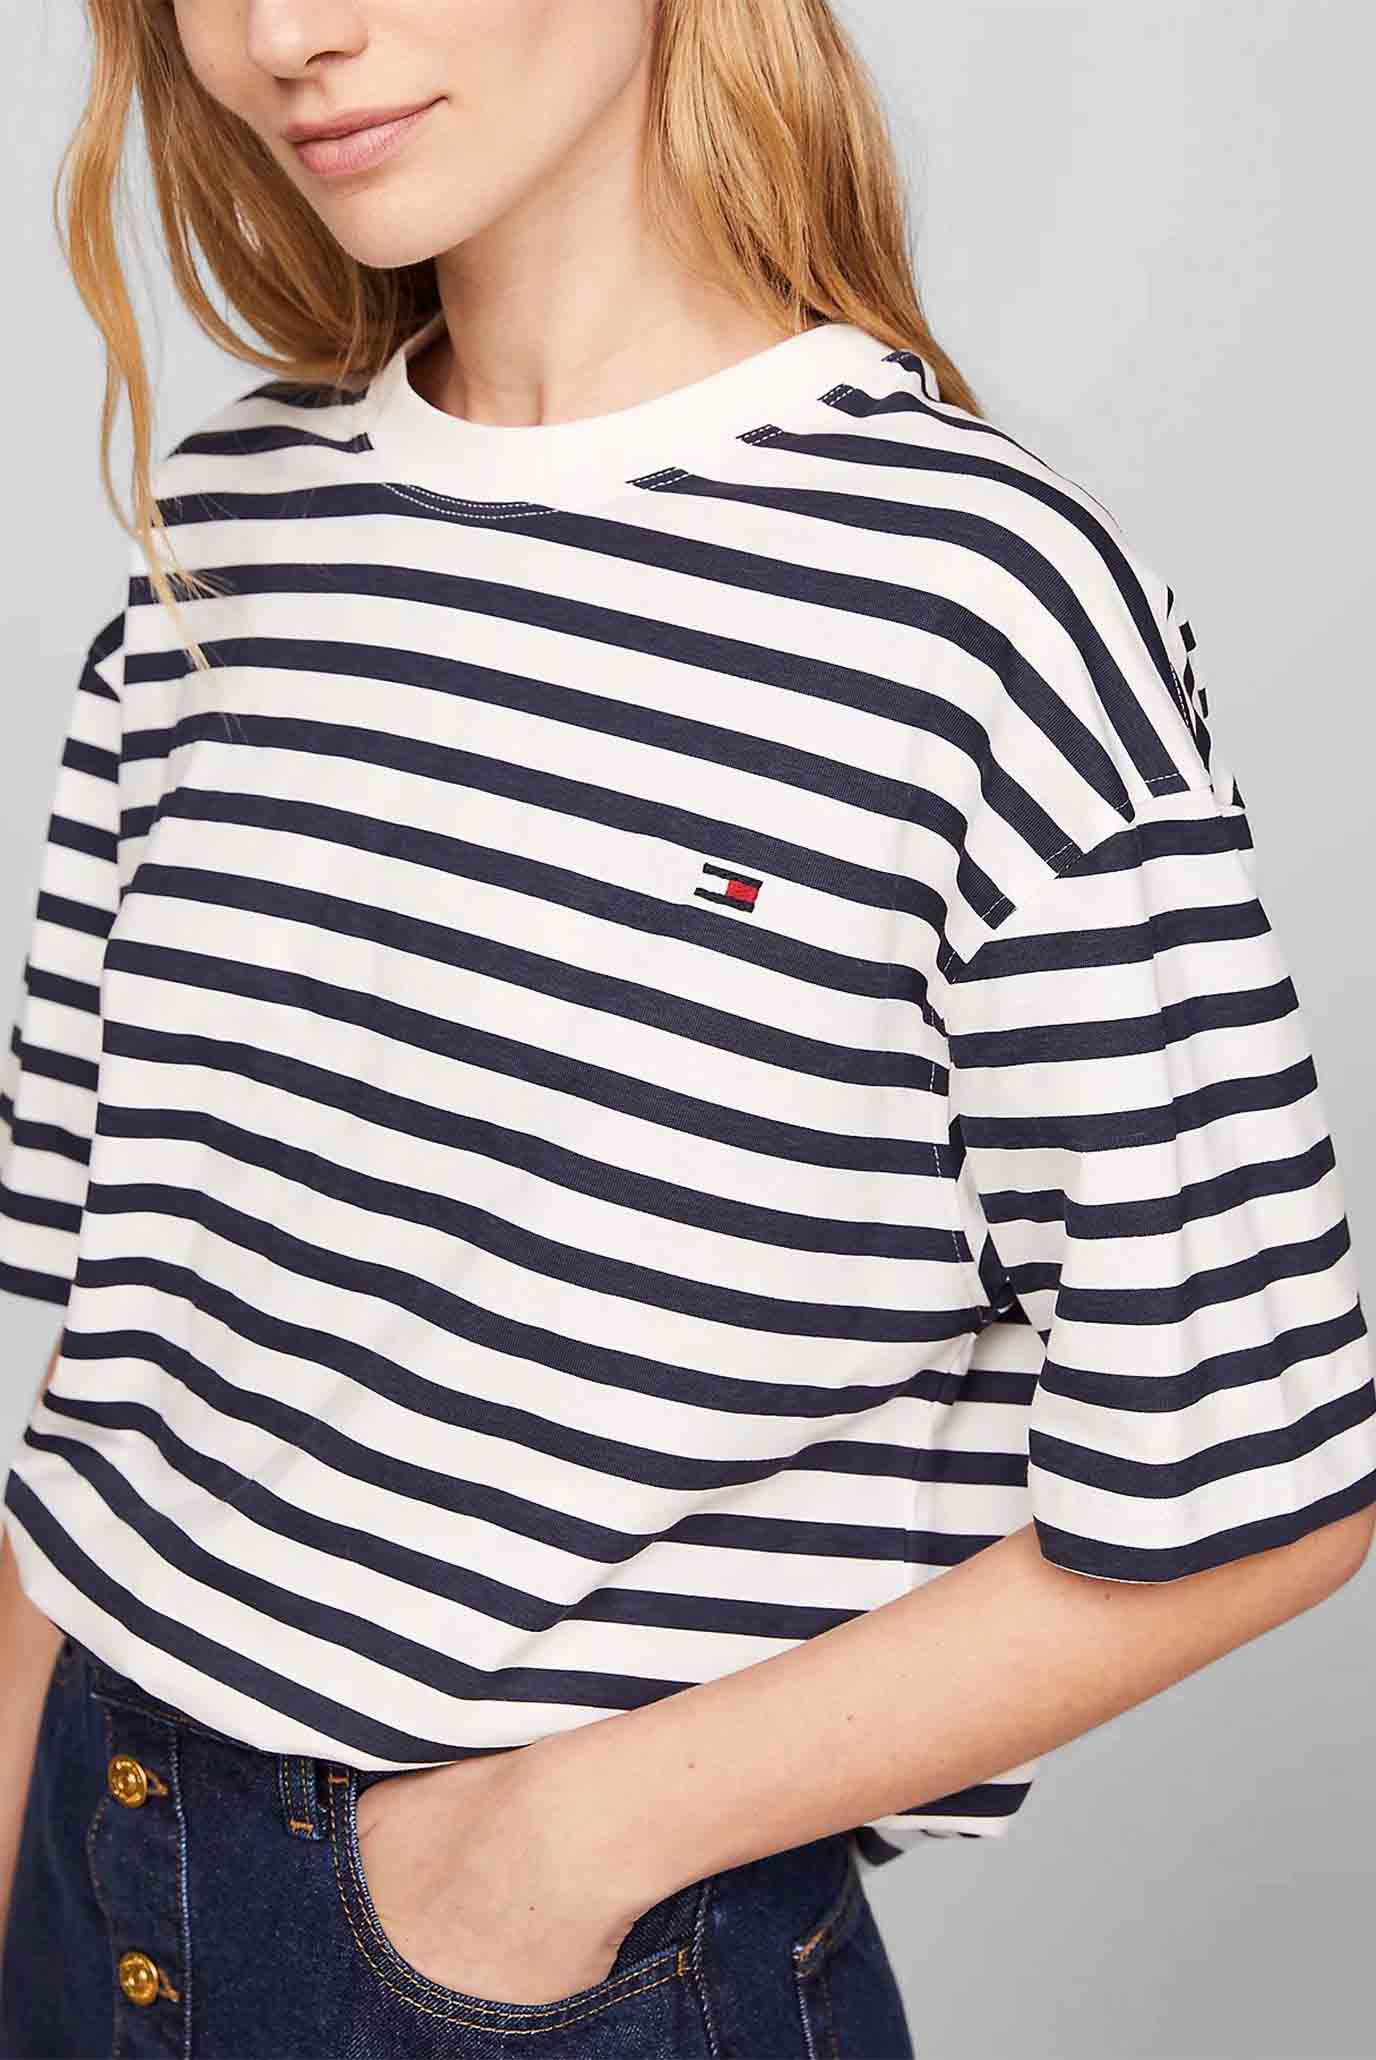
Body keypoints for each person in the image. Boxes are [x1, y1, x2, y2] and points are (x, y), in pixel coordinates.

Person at [2, 1, 1374, 2054]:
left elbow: (1264, 1468)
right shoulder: (224, 535)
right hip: (86, 1845)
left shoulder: (974, 604)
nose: (289, 33)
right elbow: (121, 1366)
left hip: (532, 1962)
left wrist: (557, 1845)